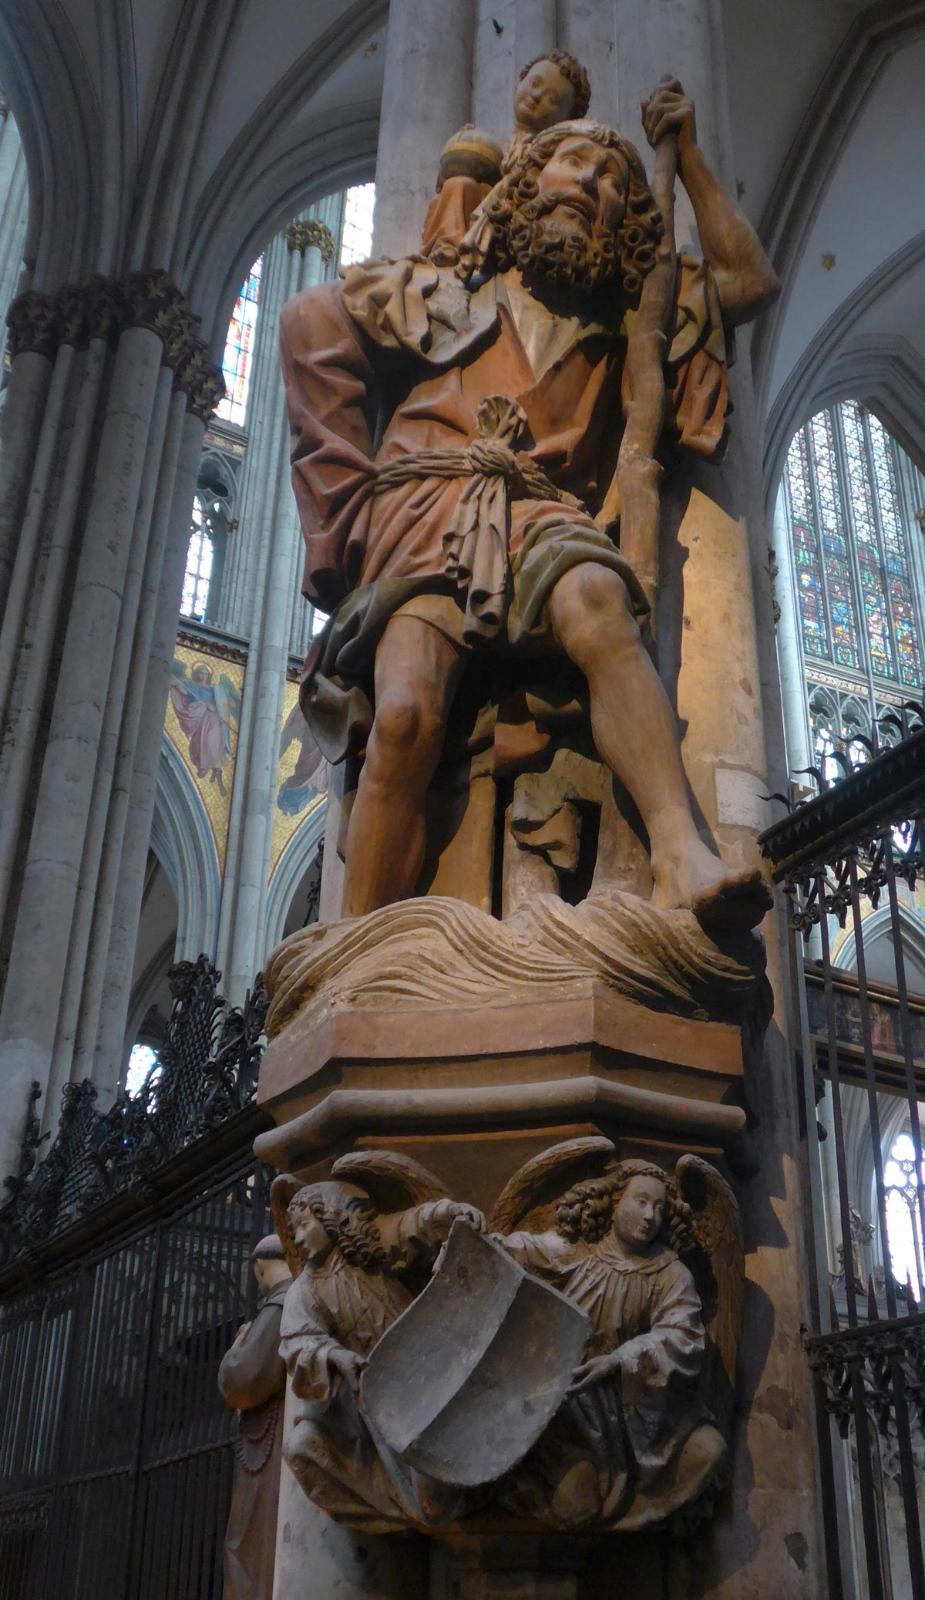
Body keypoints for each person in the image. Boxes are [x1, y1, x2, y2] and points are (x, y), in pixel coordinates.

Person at [280, 80, 778, 929]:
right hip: (426, 508)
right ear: (524, 184)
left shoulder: (633, 318)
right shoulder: (450, 288)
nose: (590, 184)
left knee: (596, 603)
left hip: (542, 512)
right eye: (570, 164)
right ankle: (357, 946)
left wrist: (685, 155)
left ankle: (679, 851)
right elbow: (307, 327)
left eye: (612, 180)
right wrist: (343, 512)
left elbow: (748, 278)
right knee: (402, 717)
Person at [496, 1160, 725, 1529]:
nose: (649, 1215)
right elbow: (520, 1250)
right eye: (640, 1201)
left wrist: (620, 1361)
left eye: (659, 1208)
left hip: (636, 1411)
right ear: (614, 1202)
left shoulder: (670, 1275)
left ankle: (644, 1514)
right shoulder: (575, 1253)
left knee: (708, 1449)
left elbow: (682, 1336)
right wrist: (479, 1241)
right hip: (565, 1406)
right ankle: (524, 1485)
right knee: (577, 1502)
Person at [217, 1235, 292, 1600]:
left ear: (259, 1267)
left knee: (251, 1545)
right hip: (273, 1439)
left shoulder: (278, 1307)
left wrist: (234, 1350)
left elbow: (243, 1379)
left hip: (272, 1446)